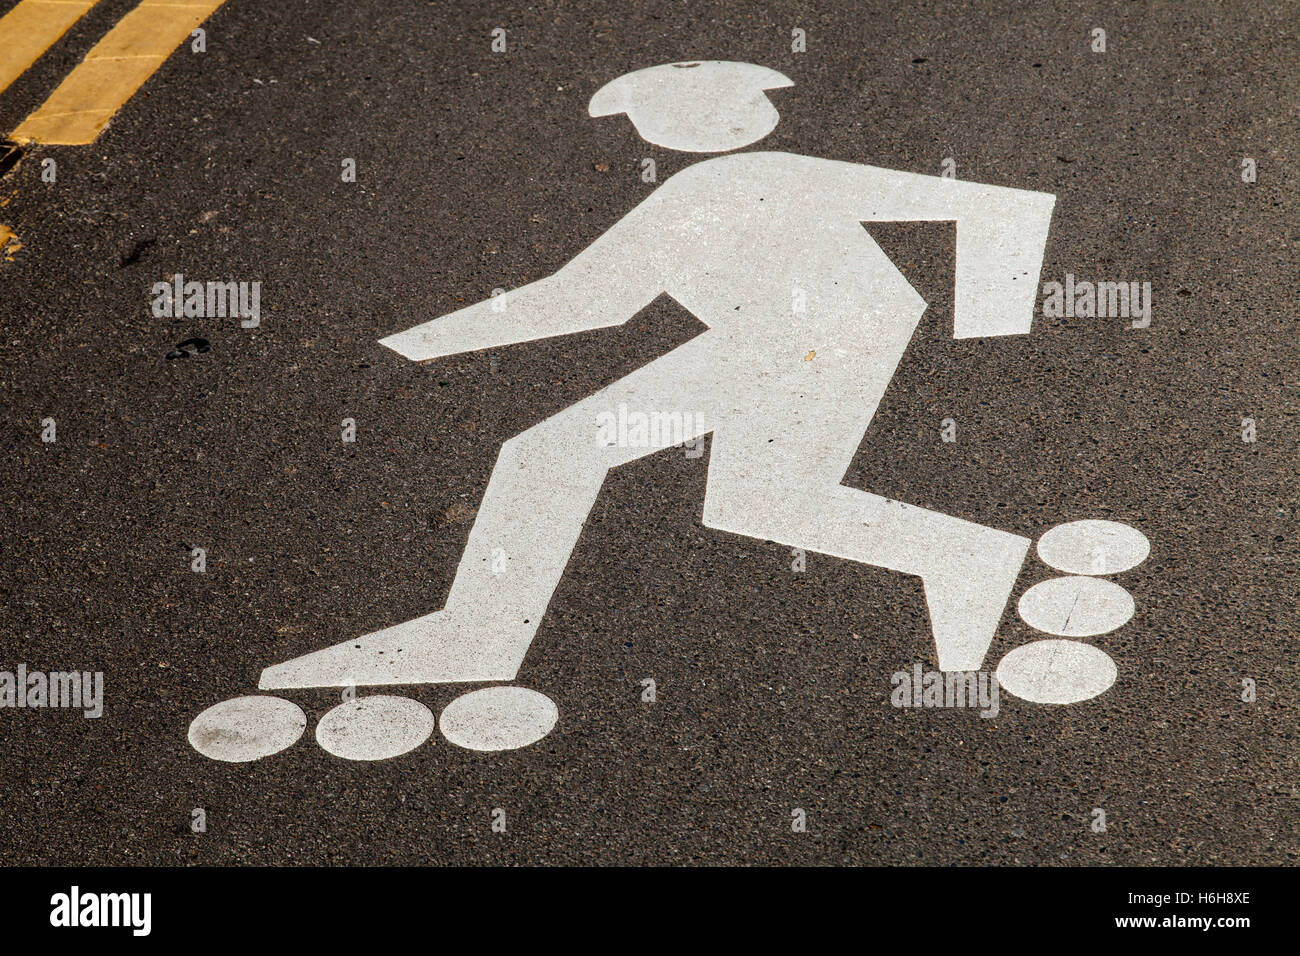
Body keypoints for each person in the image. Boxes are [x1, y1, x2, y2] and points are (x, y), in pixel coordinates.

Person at [259, 61, 1057, 695]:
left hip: (812, 341)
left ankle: (474, 637)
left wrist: (991, 330)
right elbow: (591, 300)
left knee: (563, 458)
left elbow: (1004, 210)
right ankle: (966, 559)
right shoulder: (698, 192)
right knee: (749, 498)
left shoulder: (765, 176)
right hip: (775, 340)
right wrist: (423, 343)